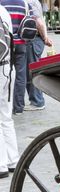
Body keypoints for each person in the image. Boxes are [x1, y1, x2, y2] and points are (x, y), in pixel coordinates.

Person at [0, 0, 34, 115]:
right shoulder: (25, 4)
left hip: (6, 44)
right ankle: (18, 107)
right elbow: (30, 22)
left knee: (5, 74)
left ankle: (5, 106)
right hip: (21, 43)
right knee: (20, 75)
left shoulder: (1, 4)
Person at [0, 4, 19, 178]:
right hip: (8, 67)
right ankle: (13, 159)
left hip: (0, 68)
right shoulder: (4, 11)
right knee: (6, 116)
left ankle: (1, 164)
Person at [25, 0, 52, 111]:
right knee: (31, 71)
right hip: (35, 39)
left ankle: (37, 101)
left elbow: (39, 22)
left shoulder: (31, 1)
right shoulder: (34, 1)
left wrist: (45, 37)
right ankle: (36, 100)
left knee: (31, 71)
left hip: (33, 40)